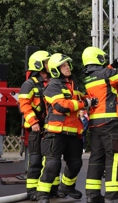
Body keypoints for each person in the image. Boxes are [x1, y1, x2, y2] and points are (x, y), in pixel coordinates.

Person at [35, 53, 97, 203]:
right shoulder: (52, 85)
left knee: (76, 163)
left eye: (67, 64)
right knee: (52, 165)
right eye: (63, 65)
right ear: (56, 69)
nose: (67, 67)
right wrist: (85, 104)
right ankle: (42, 194)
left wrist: (90, 99)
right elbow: (62, 106)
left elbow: (82, 97)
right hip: (56, 132)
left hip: (73, 132)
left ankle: (67, 187)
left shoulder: (74, 85)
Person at [82, 47, 118, 203]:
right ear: (97, 58)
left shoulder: (89, 78)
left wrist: (113, 64)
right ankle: (113, 195)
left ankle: (92, 194)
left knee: (96, 158)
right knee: (114, 158)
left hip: (95, 124)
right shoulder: (106, 75)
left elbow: (107, 74)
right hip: (111, 123)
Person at [18, 51, 64, 200]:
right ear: (39, 65)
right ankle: (32, 192)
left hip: (50, 127)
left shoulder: (53, 81)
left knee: (53, 160)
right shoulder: (29, 84)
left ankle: (53, 189)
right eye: (46, 62)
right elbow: (24, 106)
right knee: (36, 161)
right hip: (36, 129)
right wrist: (33, 122)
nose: (49, 65)